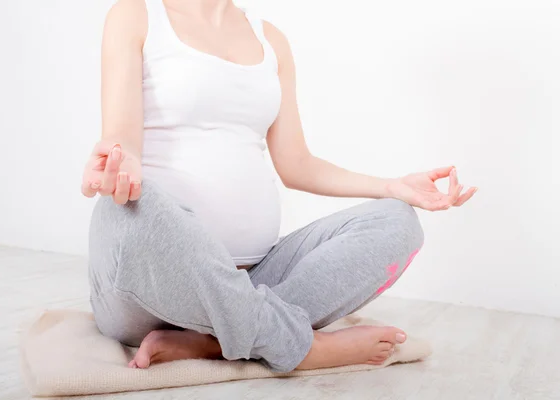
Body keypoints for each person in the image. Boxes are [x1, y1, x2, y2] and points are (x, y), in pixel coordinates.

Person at [81, 0, 477, 373]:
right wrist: (120, 163)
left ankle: (216, 341)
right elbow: (121, 139)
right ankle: (301, 348)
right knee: (136, 206)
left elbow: (297, 164)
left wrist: (392, 186)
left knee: (397, 222)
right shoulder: (137, 14)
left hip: (257, 275)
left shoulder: (270, 40)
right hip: (150, 284)